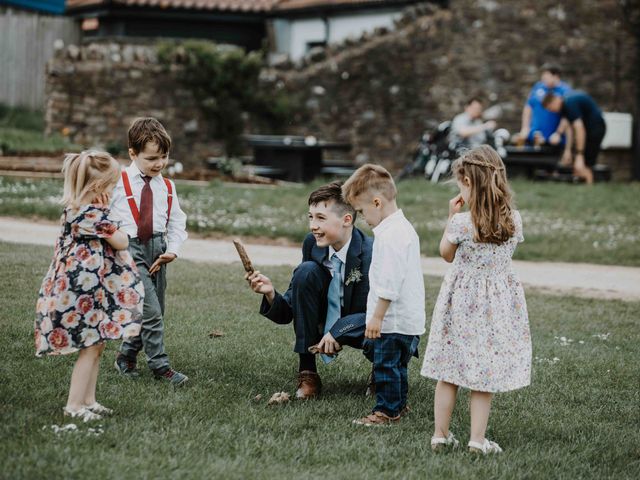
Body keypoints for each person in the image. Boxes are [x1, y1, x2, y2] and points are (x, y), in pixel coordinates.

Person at [421, 145, 532, 454]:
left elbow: (446, 255)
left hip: (461, 301)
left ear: (468, 183)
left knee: (449, 369)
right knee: (482, 372)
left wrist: (450, 217)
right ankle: (477, 440)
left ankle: (440, 435)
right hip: (496, 304)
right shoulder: (513, 220)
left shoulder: (461, 223)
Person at [35, 151, 144, 422]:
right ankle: (74, 405)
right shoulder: (91, 214)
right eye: (111, 185)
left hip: (90, 287)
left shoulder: (78, 208)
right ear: (98, 188)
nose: (114, 190)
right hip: (83, 291)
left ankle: (89, 400)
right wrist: (108, 213)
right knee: (90, 345)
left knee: (96, 345)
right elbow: (122, 241)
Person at [245, 182, 372, 399]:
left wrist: (339, 331)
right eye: (310, 217)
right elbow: (292, 308)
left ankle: (383, 372)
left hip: (368, 323)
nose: (313, 225)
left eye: (321, 218)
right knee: (306, 271)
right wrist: (269, 293)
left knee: (385, 328)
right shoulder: (312, 244)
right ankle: (308, 372)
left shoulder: (372, 253)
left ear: (346, 220)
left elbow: (380, 313)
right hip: (327, 318)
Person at [342, 165, 425, 426]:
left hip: (392, 318)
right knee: (398, 366)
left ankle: (386, 411)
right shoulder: (403, 228)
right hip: (406, 319)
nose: (362, 218)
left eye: (362, 211)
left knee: (385, 366)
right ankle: (399, 404)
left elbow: (389, 282)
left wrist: (377, 317)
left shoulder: (391, 236)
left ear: (377, 202)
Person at [111, 117, 189, 386]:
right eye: (152, 158)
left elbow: (178, 222)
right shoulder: (117, 182)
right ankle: (161, 367)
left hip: (158, 250)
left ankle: (126, 355)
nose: (159, 164)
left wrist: (173, 250)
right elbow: (103, 218)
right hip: (128, 249)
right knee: (151, 312)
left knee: (155, 311)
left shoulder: (167, 186)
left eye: (164, 157)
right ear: (133, 154)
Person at [542, 91, 606, 184]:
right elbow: (569, 129)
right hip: (589, 130)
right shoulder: (565, 106)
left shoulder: (569, 104)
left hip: (595, 130)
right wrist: (567, 150)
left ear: (554, 100)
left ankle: (589, 184)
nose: (552, 111)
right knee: (578, 163)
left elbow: (579, 129)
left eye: (550, 108)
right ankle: (582, 184)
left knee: (585, 163)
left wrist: (580, 154)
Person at [518, 63, 572, 150]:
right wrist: (525, 127)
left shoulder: (565, 91)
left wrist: (558, 133)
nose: (543, 79)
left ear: (555, 76)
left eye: (546, 76)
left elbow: (568, 115)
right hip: (534, 136)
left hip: (553, 140)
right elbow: (528, 106)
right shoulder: (538, 87)